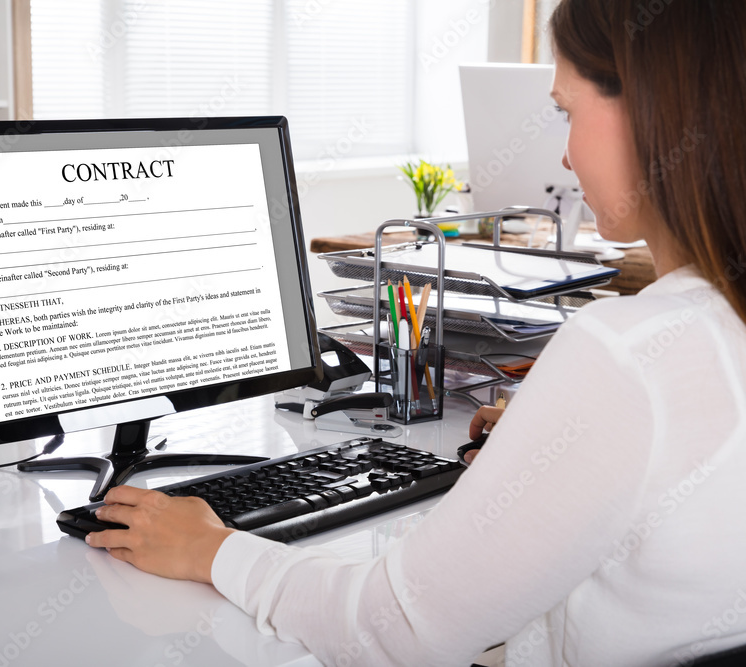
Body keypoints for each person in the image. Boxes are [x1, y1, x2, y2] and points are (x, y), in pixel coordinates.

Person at [87, 1, 746, 664]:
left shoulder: (627, 354)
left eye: (568, 111)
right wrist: (548, 447)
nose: (567, 155)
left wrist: (212, 548)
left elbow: (394, 629)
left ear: (657, 109)